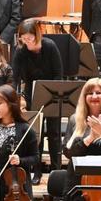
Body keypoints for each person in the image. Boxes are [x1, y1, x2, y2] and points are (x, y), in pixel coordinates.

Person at [11, 19, 63, 184]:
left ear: (37, 34)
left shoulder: (50, 46)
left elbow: (58, 73)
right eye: (23, 38)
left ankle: (56, 170)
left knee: (54, 134)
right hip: (32, 94)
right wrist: (17, 97)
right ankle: (37, 172)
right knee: (36, 135)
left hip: (53, 93)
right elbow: (15, 78)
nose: (27, 41)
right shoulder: (20, 51)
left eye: (30, 38)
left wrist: (54, 91)